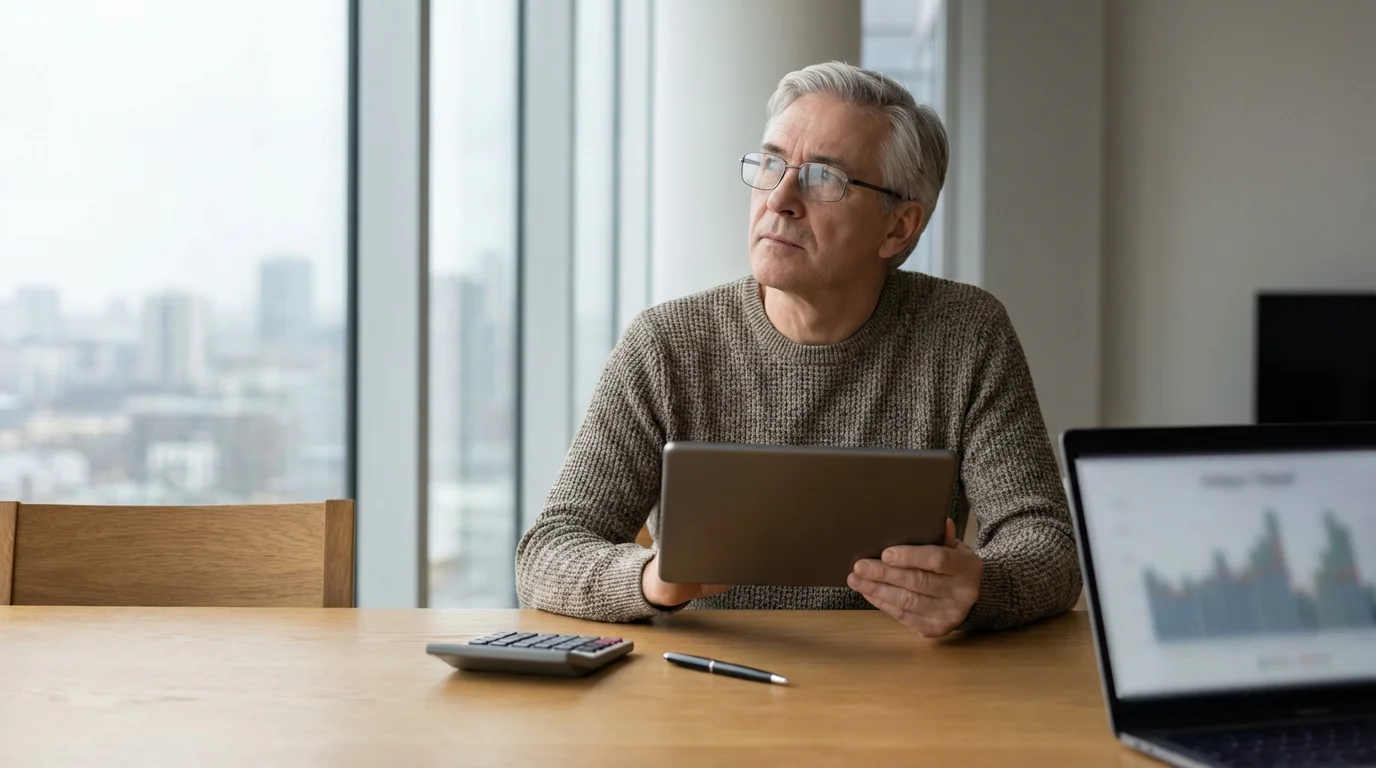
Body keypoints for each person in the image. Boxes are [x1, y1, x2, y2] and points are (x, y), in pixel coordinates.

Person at [515, 61, 1081, 636]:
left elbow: (1048, 546)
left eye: (822, 179)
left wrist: (980, 589)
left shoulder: (965, 333)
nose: (780, 197)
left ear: (899, 228)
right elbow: (548, 552)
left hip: (906, 698)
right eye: (770, 164)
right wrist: (653, 580)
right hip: (708, 690)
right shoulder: (667, 345)